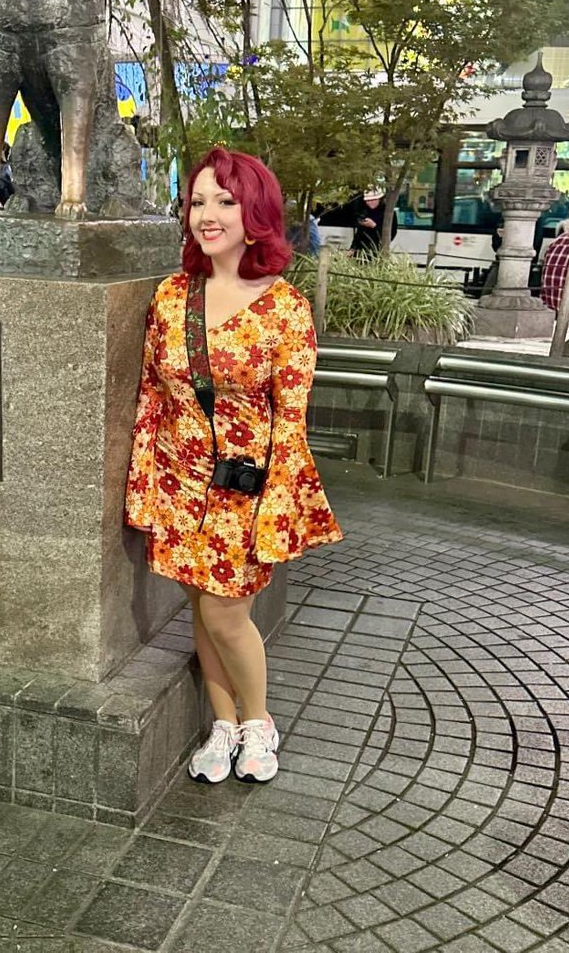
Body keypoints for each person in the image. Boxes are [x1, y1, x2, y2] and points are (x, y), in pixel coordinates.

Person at [124, 146, 343, 786]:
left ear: (257, 214)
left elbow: (291, 420)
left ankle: (259, 722)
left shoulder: (284, 309)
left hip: (243, 488)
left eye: (225, 201)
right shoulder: (171, 296)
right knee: (199, 606)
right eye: (197, 201)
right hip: (179, 479)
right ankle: (222, 723)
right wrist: (146, 484)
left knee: (226, 612)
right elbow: (151, 397)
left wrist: (275, 509)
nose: (207, 214)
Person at [319, 186, 398, 257]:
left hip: (377, 250)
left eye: (372, 200)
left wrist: (374, 226)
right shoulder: (365, 211)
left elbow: (390, 234)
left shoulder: (389, 213)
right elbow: (359, 233)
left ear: (379, 199)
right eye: (367, 201)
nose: (369, 203)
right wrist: (353, 248)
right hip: (361, 250)